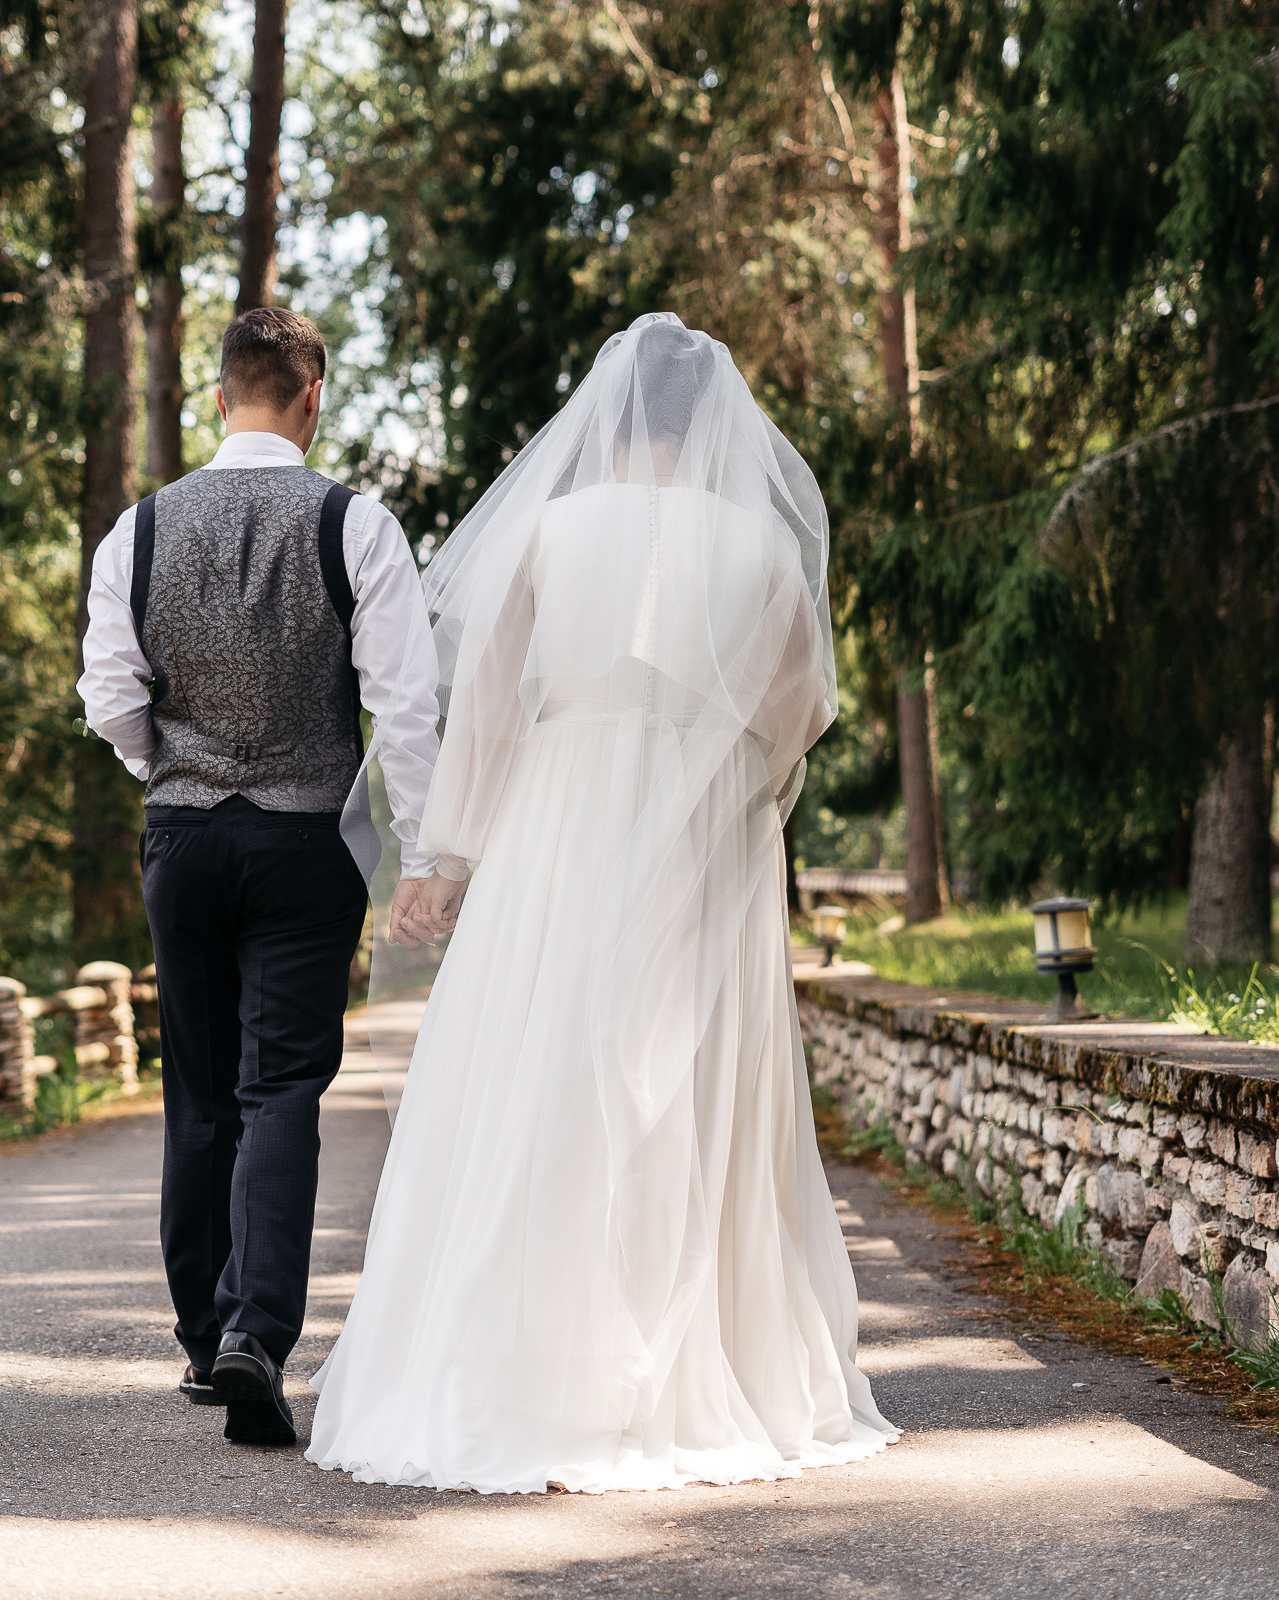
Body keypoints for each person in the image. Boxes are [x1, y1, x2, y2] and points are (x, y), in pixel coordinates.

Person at [305, 313, 897, 1493]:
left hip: (561, 822)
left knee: (541, 1066)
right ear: (715, 418)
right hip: (707, 830)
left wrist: (449, 854)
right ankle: (691, 1365)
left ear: (612, 409)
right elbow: (795, 710)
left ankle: (531, 1364)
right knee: (688, 1079)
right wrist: (716, 771)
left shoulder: (550, 528)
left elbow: (484, 704)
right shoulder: (768, 552)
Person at [76, 306, 456, 1447]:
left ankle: (205, 1342)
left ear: (222, 395)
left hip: (183, 842)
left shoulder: (136, 532)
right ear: (310, 397)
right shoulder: (358, 525)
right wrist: (428, 854)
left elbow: (110, 699)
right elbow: (405, 705)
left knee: (196, 1092)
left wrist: (174, 767)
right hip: (306, 845)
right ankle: (257, 1335)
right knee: (280, 1086)